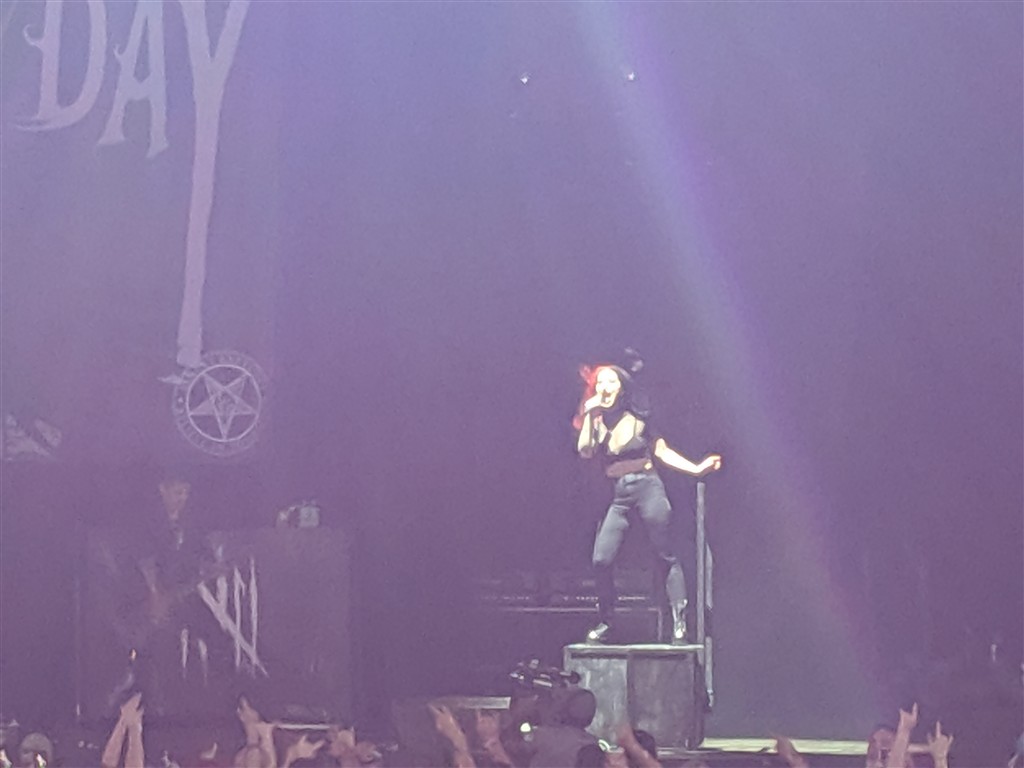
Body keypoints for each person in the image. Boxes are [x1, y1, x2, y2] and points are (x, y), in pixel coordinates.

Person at [574, 362, 721, 644]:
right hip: (619, 494)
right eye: (600, 382)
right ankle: (606, 621)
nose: (605, 387)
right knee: (601, 559)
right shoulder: (596, 421)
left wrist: (696, 468)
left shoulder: (640, 418)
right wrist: (590, 413)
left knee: (664, 553)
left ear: (622, 388)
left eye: (611, 382)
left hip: (647, 486)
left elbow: (662, 452)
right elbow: (585, 450)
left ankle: (679, 621)